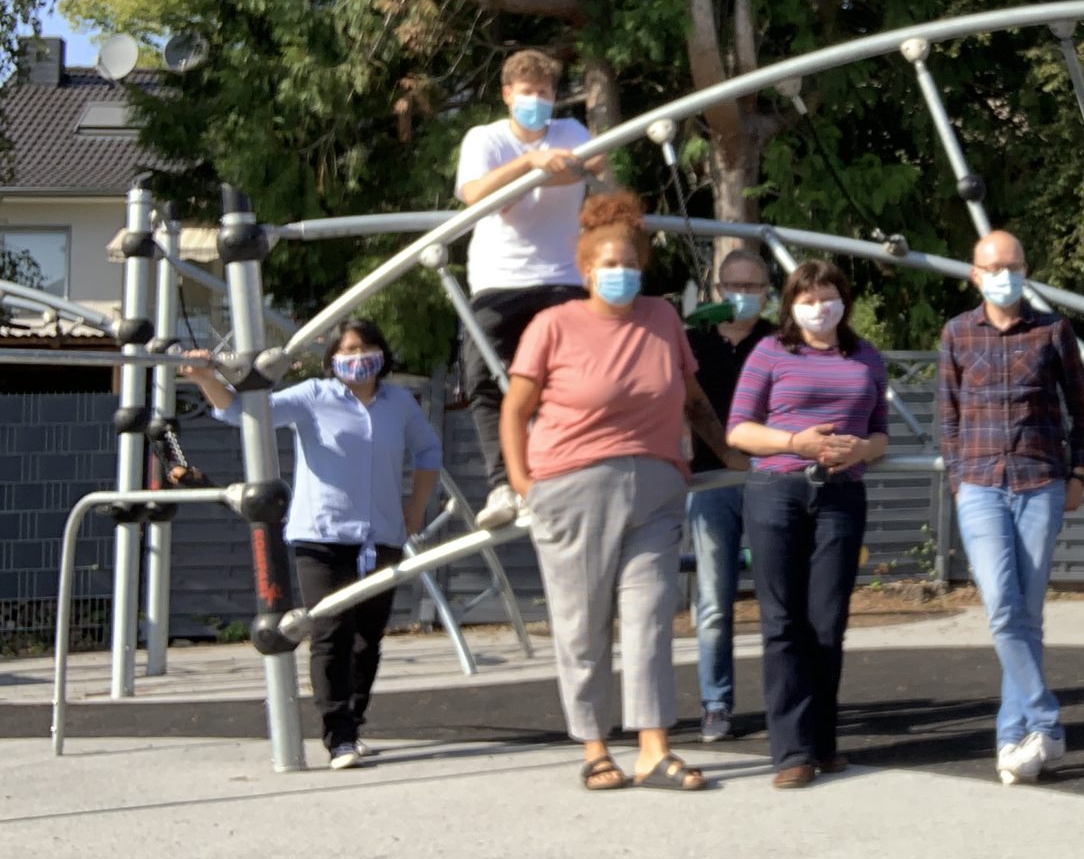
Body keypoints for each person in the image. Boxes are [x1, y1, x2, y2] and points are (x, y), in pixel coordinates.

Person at [501, 192, 740, 791]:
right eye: (608, 263)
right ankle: (593, 744)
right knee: (583, 625)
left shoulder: (661, 317)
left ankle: (653, 749)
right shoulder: (553, 324)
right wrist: (523, 482)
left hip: (657, 487)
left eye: (630, 261)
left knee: (651, 618)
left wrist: (732, 453)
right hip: (574, 485)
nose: (621, 272)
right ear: (585, 270)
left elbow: (693, 400)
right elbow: (515, 410)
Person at [182, 319, 441, 770]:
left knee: (368, 639)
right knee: (330, 632)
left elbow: (428, 452)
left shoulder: (399, 402)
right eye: (349, 350)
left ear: (381, 353)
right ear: (332, 359)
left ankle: (355, 724)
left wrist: (415, 507)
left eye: (367, 347)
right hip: (321, 534)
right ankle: (337, 736)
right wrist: (207, 378)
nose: (359, 358)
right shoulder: (313, 397)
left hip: (380, 535)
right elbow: (241, 412)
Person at [936, 229, 1084, 786]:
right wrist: (958, 478)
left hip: (1040, 481)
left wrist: (1078, 472)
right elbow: (947, 415)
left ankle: (1013, 739)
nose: (1006, 273)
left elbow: (1082, 408)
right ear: (975, 275)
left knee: (1026, 615)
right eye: (995, 266)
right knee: (1002, 605)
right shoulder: (957, 332)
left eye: (1015, 263)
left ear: (1026, 269)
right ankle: (1047, 721)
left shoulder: (1053, 330)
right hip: (979, 483)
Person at [726, 260, 891, 788]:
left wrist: (864, 448)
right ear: (791, 305)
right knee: (782, 622)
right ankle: (791, 751)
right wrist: (795, 442)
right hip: (778, 490)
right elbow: (739, 430)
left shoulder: (866, 356)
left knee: (828, 621)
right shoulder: (770, 352)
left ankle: (823, 741)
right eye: (808, 298)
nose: (820, 307)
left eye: (829, 296)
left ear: (845, 299)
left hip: (842, 494)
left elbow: (881, 434)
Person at [456, 48, 605, 530]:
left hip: (561, 278)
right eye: (527, 93)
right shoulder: (486, 138)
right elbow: (474, 195)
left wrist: (566, 166)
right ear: (507, 96)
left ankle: (563, 474)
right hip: (498, 280)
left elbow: (590, 166)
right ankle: (501, 484)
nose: (536, 101)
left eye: (544, 93)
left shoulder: (570, 132)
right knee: (484, 379)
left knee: (565, 379)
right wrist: (529, 164)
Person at [686, 248, 775, 744]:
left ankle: (783, 700)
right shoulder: (693, 341)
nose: (744, 295)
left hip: (768, 478)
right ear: (719, 291)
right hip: (710, 482)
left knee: (779, 597)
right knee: (714, 601)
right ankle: (715, 703)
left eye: (755, 287)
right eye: (734, 286)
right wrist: (724, 456)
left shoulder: (781, 341)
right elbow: (686, 405)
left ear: (768, 292)